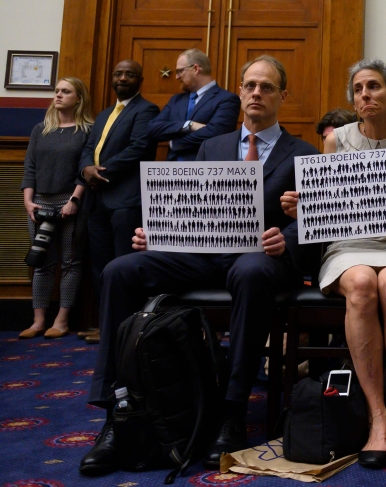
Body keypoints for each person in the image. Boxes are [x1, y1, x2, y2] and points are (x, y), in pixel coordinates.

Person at [80, 56, 318, 476]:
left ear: (283, 95)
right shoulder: (213, 146)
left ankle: (232, 409)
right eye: (249, 86)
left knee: (249, 270)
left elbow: (317, 222)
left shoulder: (304, 154)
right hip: (202, 253)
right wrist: (157, 232)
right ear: (240, 92)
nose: (256, 93)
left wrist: (289, 237)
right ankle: (117, 412)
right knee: (120, 268)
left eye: (266, 86)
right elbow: (186, 202)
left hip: (262, 260)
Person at [283, 59, 386, 470]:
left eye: (373, 87)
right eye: (358, 89)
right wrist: (304, 207)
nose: (365, 95)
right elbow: (325, 206)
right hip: (348, 245)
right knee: (361, 284)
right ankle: (377, 415)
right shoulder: (336, 140)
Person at [77, 60, 160, 345]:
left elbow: (139, 148)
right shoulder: (103, 115)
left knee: (122, 266)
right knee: (100, 266)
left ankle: (125, 327)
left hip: (125, 200)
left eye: (130, 74)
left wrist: (100, 172)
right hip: (96, 200)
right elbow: (89, 148)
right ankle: (105, 326)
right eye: (119, 73)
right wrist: (86, 168)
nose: (123, 78)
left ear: (140, 80)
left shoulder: (146, 110)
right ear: (112, 78)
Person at [19, 78, 92, 339]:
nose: (59, 95)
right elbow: (30, 168)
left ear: (78, 98)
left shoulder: (87, 130)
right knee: (42, 262)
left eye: (66, 91)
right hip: (39, 201)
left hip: (72, 201)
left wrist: (74, 199)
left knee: (71, 262)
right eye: (57, 91)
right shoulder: (41, 129)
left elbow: (86, 169)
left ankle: (61, 320)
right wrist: (28, 201)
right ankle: (38, 320)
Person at [147, 49, 240, 161]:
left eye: (180, 71)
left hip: (205, 172)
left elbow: (216, 134)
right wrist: (189, 125)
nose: (177, 77)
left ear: (196, 69)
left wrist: (176, 143)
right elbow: (153, 129)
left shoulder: (227, 99)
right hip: (171, 174)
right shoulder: (176, 100)